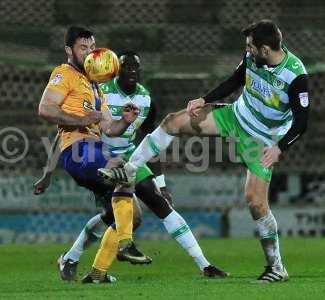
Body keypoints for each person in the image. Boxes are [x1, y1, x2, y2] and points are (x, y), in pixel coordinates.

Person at [99, 19, 310, 283]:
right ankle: (129, 169)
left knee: (256, 202)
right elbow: (235, 80)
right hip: (235, 116)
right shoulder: (253, 58)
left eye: (251, 46)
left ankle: (276, 268)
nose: (248, 50)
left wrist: (280, 147)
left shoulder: (295, 74)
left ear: (266, 49)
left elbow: (302, 121)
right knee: (173, 121)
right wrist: (204, 99)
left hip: (262, 140)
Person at [35, 52, 228, 283]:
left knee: (158, 203)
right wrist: (48, 172)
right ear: (117, 69)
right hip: (100, 158)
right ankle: (78, 259)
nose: (132, 71)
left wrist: (161, 182)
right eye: (127, 66)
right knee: (114, 217)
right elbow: (64, 132)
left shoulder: (145, 100)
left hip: (130, 156)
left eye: (136, 67)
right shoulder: (100, 91)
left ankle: (204, 264)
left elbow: (151, 141)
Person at [38, 26, 149, 284]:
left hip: (95, 152)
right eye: (82, 47)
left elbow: (109, 127)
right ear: (69, 50)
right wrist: (83, 119)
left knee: (131, 216)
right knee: (123, 168)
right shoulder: (63, 74)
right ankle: (125, 245)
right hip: (80, 150)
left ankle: (84, 265)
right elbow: (45, 109)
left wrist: (125, 120)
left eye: (91, 47)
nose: (89, 53)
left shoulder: (96, 87)